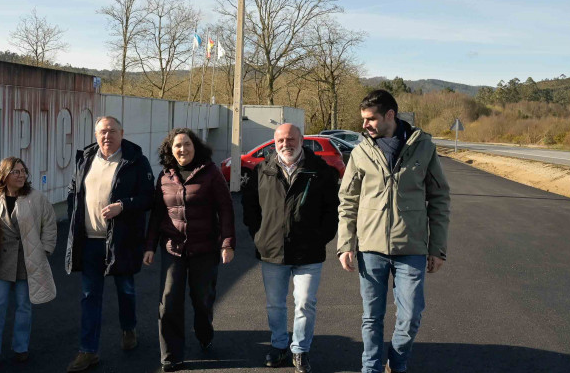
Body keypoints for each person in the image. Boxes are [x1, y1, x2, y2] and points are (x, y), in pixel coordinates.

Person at [337, 89, 451, 373]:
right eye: (363, 119)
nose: (365, 125)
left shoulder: (423, 147)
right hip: (370, 248)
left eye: (371, 119)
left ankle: (397, 364)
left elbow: (439, 199)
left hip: (410, 248)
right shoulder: (361, 150)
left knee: (411, 316)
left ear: (390, 115)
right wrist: (346, 244)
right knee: (371, 317)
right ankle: (371, 368)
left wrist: (437, 248)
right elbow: (348, 200)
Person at [242, 123, 340, 373]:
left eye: (291, 139)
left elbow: (332, 210)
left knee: (305, 302)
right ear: (275, 142)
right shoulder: (263, 170)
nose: (286, 144)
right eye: (281, 140)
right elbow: (250, 207)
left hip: (309, 252)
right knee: (275, 304)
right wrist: (259, 236)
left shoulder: (320, 171)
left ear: (301, 140)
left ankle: (300, 350)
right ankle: (278, 345)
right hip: (271, 251)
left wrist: (321, 238)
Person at [64, 116, 155, 372]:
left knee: (125, 290)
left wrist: (123, 206)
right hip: (90, 242)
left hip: (122, 242)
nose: (107, 136)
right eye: (102, 132)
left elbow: (149, 197)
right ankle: (88, 351)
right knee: (89, 296)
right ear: (96, 134)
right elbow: (74, 191)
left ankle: (128, 329)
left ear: (121, 133)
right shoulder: (86, 158)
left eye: (112, 131)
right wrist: (75, 215)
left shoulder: (136, 160)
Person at [143, 128, 236, 372]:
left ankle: (204, 331)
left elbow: (225, 209)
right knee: (169, 300)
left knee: (202, 300)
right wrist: (150, 246)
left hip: (204, 248)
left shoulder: (211, 173)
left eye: (187, 145)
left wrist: (227, 243)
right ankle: (171, 355)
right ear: (170, 150)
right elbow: (157, 214)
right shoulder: (164, 177)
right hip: (173, 248)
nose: (182, 149)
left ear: (195, 147)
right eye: (177, 146)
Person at [0, 157, 57, 370]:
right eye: (16, 172)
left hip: (26, 260)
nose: (21, 175)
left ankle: (21, 348)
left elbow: (49, 223)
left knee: (24, 305)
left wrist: (46, 249)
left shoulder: (36, 198)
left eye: (23, 171)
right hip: (1, 261)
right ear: (5, 175)